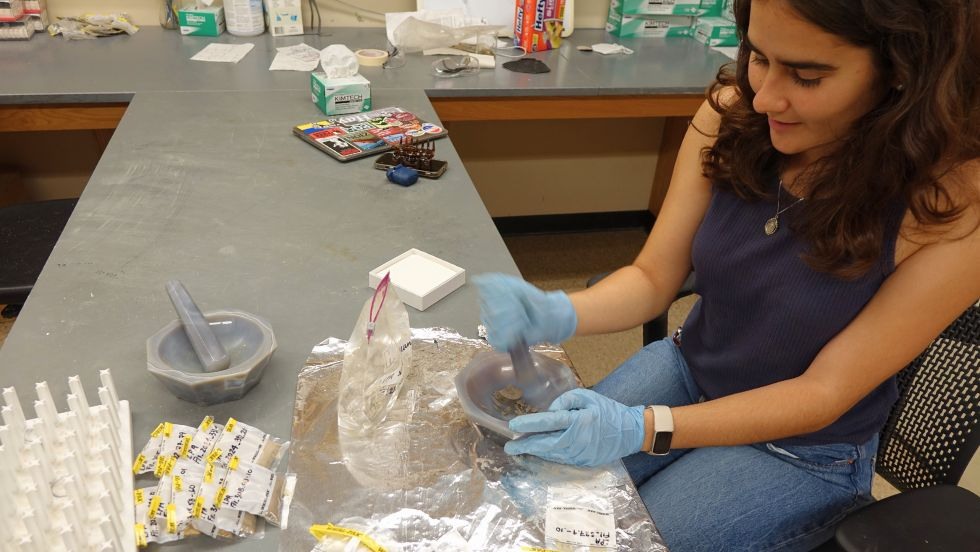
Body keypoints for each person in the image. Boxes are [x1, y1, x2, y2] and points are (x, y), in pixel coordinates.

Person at [474, 0, 980, 550]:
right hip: (692, 370)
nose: (765, 97)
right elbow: (651, 278)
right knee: (530, 493)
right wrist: (556, 310)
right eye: (758, 56)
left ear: (903, 73)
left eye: (807, 76)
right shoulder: (736, 114)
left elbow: (823, 392)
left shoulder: (953, 206)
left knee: (616, 541)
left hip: (800, 444)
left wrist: (643, 427)